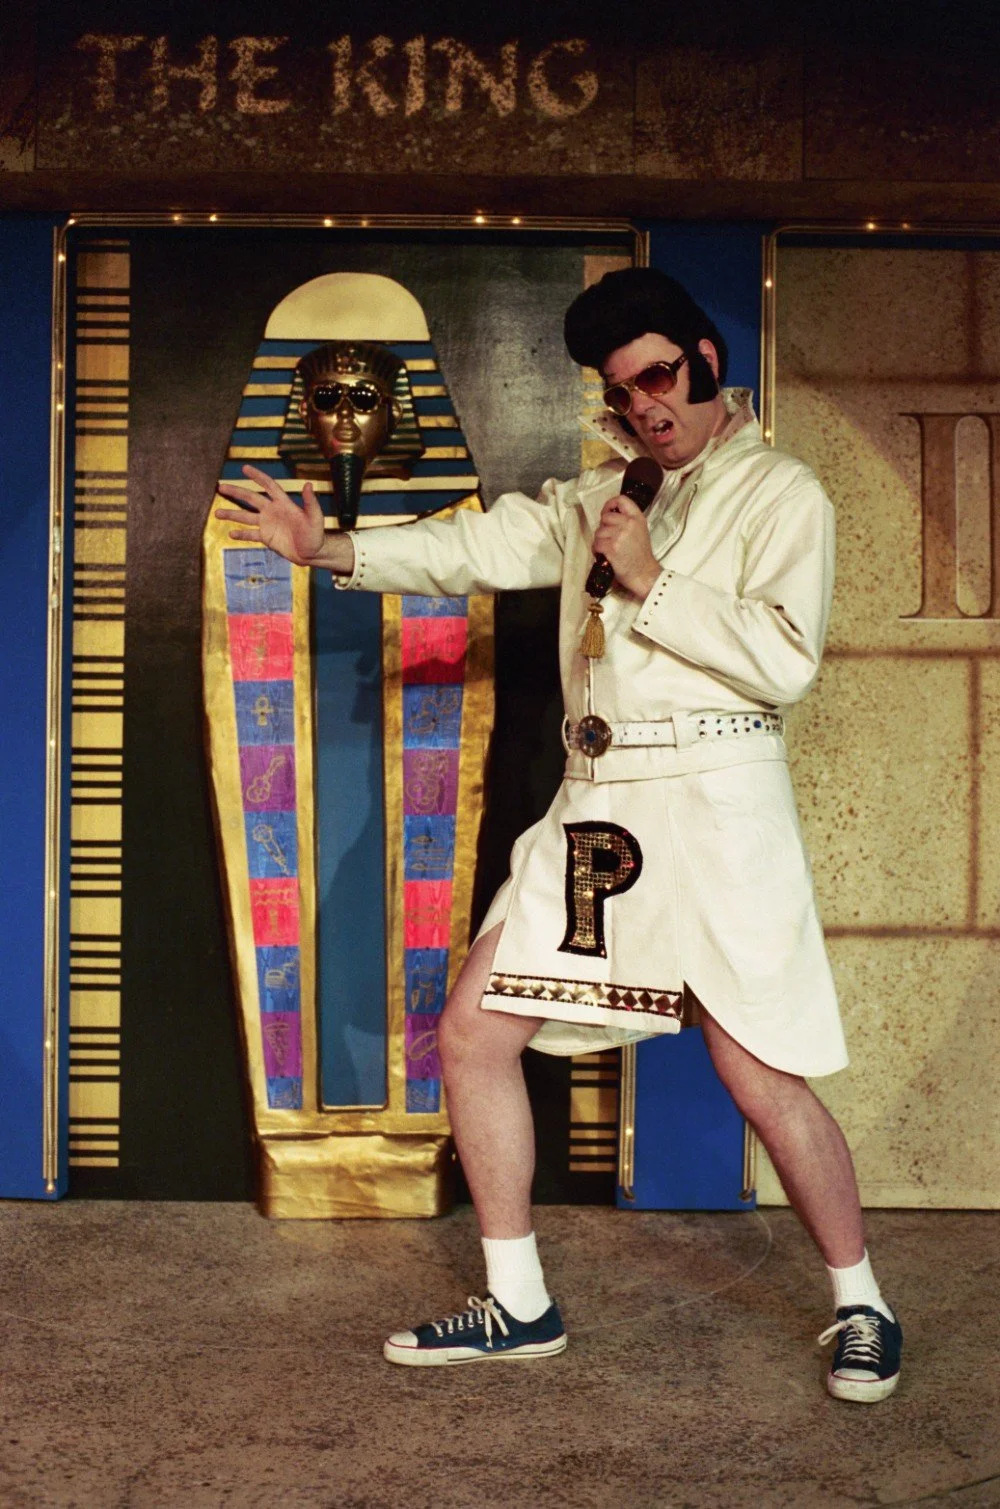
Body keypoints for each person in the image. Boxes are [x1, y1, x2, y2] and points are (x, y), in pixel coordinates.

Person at [216, 267, 902, 1403]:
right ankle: (518, 1301)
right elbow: (479, 549)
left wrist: (650, 580)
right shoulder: (602, 492)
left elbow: (785, 659)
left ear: (706, 360)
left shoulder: (782, 493)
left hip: (719, 800)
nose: (644, 408)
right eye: (622, 391)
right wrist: (333, 551)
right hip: (600, 809)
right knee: (475, 1032)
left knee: (758, 1071)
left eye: (659, 379)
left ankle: (862, 1303)